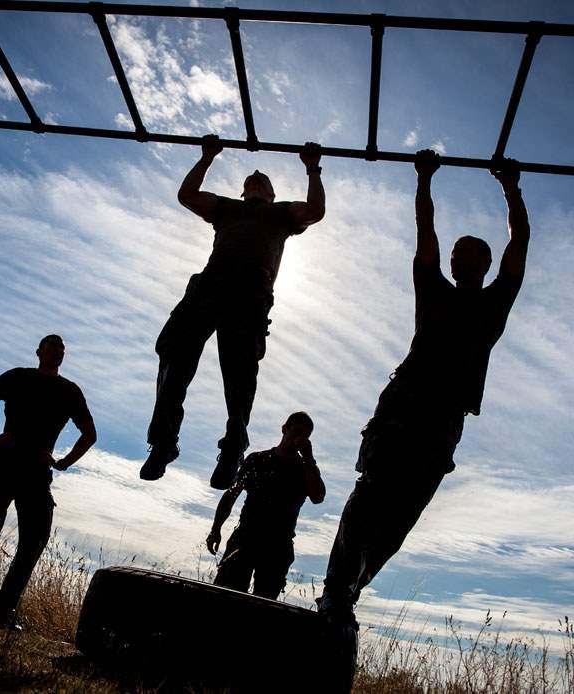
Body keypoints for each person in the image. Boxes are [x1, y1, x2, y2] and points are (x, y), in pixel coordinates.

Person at [317, 150, 531, 625]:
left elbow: (520, 243)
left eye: (468, 253)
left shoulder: (495, 303)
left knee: (400, 517)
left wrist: (511, 188)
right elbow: (425, 230)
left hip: (443, 421)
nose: (457, 257)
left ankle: (349, 590)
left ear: (484, 262)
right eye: (455, 253)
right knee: (371, 494)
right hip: (402, 407)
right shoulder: (432, 288)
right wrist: (424, 180)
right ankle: (335, 591)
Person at [141, 135, 326, 489]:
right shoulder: (227, 208)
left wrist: (312, 169)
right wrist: (207, 157)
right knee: (174, 355)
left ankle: (233, 446)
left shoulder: (281, 213)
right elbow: (187, 197)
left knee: (240, 374)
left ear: (271, 193)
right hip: (210, 285)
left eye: (263, 181)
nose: (256, 177)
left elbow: (315, 211)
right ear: (243, 192)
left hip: (250, 291)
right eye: (249, 181)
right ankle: (163, 441)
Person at [0, 334, 96, 625]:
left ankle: (3, 607)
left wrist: (62, 463)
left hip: (36, 472)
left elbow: (89, 434)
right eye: (52, 346)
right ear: (39, 352)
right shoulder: (18, 377)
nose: (58, 351)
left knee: (35, 540)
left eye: (62, 348)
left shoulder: (69, 390)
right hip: (4, 463)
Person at [206, 411, 326, 599]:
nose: (299, 439)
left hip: (278, 545)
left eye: (305, 436)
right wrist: (215, 529)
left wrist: (309, 459)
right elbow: (231, 495)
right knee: (225, 596)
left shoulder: (305, 469)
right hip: (245, 537)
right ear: (284, 429)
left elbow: (318, 497)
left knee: (265, 603)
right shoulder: (257, 460)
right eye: (296, 432)